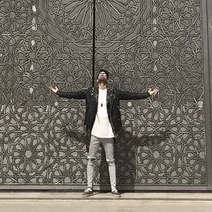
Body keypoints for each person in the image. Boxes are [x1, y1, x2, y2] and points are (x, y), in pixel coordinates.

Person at [49, 68, 159, 196]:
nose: (102, 75)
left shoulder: (114, 92)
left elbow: (131, 95)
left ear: (108, 79)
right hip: (95, 131)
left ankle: (113, 188)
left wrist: (147, 94)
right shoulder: (90, 92)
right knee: (91, 159)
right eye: (100, 74)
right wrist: (59, 93)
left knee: (110, 160)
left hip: (109, 132)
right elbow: (74, 94)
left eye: (105, 74)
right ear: (96, 80)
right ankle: (89, 187)